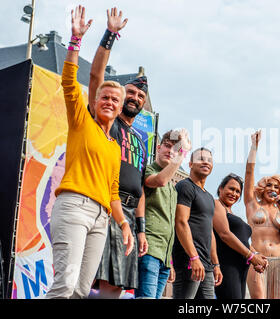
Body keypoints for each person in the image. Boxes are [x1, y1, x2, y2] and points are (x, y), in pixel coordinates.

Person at [46, 5, 133, 299]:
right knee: (64, 286)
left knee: (82, 291)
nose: (109, 101)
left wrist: (124, 224)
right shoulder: (83, 121)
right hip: (73, 207)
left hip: (101, 217)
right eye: (104, 97)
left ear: (120, 109)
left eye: (115, 99)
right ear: (95, 102)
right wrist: (75, 40)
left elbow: (113, 190)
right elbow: (69, 81)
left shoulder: (112, 145)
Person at [87, 8, 149, 298]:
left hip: (127, 215)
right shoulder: (107, 121)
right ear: (121, 96)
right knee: (87, 280)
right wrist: (110, 35)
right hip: (102, 205)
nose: (135, 98)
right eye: (131, 93)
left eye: (141, 96)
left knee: (115, 289)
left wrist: (141, 229)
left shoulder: (141, 139)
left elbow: (141, 190)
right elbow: (96, 77)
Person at [135, 129, 191, 299]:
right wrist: (182, 152)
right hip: (149, 249)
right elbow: (160, 180)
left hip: (164, 258)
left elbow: (171, 225)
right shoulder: (147, 170)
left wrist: (170, 262)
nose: (171, 152)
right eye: (167, 146)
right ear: (158, 148)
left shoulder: (173, 189)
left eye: (175, 149)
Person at [244, 130, 280, 299]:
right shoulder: (252, 204)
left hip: (279, 259)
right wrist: (254, 147)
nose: (272, 189)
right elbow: (249, 172)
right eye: (269, 185)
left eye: (276, 187)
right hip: (258, 257)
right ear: (263, 188)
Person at [172, 147, 223, 299]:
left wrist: (216, 264)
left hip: (206, 265)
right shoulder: (185, 186)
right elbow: (180, 222)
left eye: (209, 160)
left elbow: (210, 232)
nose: (206, 162)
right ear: (190, 164)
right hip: (189, 260)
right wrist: (194, 258)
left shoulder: (208, 197)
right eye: (201, 158)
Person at [213, 173, 268, 299]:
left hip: (241, 270)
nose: (234, 193)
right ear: (221, 188)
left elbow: (243, 241)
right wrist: (251, 256)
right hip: (227, 267)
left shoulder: (231, 212)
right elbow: (225, 234)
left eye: (238, 191)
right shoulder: (217, 205)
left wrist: (257, 256)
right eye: (231, 189)